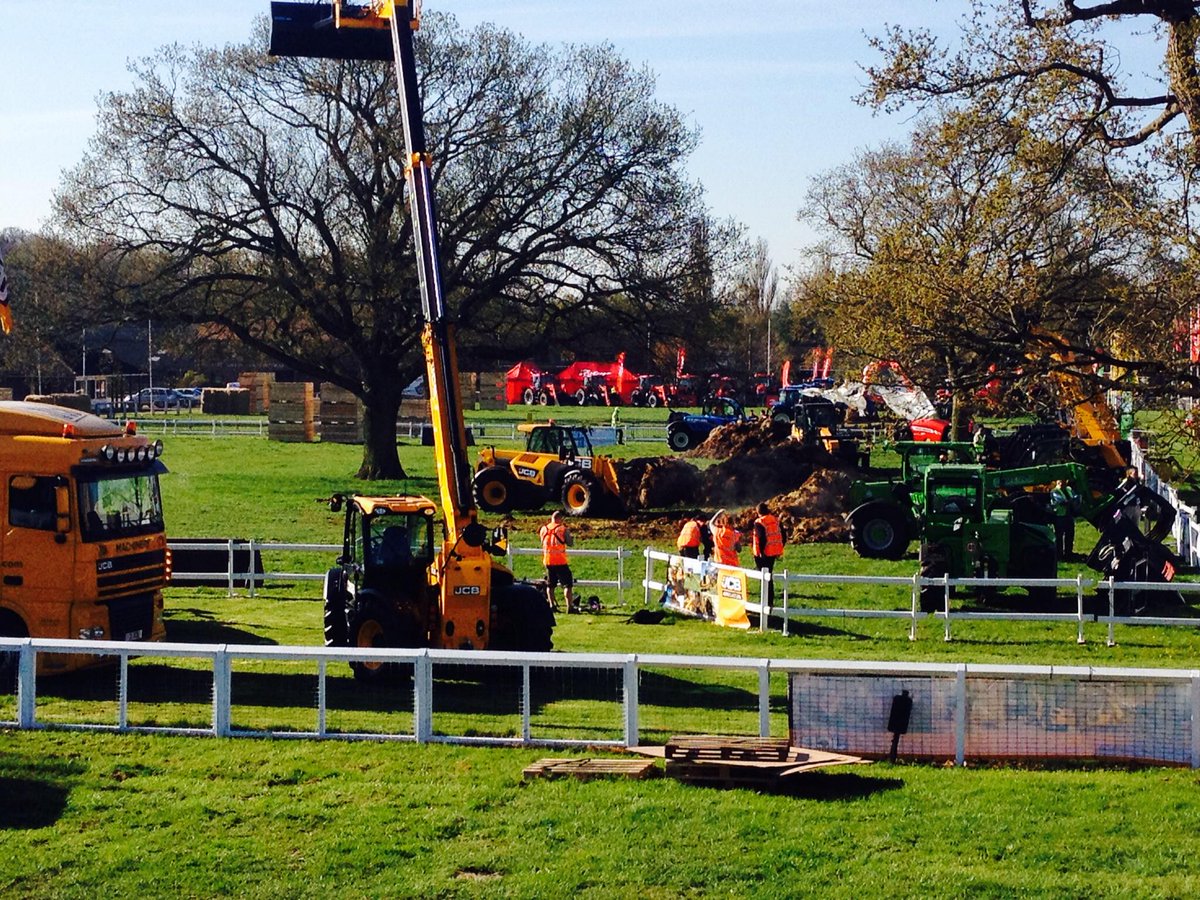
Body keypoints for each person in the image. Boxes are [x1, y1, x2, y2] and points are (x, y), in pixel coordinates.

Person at [539, 510, 576, 612]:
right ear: (560, 519)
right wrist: (571, 537)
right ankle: (570, 607)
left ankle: (552, 606)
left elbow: (542, 542)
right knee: (567, 585)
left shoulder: (543, 529)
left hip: (548, 561)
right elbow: (570, 543)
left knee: (550, 585)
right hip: (560, 561)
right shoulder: (562, 529)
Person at [752, 502, 785, 604]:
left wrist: (761, 552)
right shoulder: (776, 520)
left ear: (758, 512)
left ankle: (766, 600)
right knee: (769, 574)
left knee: (763, 577)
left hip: (763, 554)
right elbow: (783, 535)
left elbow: (761, 538)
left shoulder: (759, 522)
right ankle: (769, 599)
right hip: (773, 552)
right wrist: (779, 547)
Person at [1049, 480, 1076, 559]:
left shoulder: (1069, 489)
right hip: (1060, 515)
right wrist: (1072, 501)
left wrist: (1072, 501)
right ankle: (1059, 554)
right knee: (1059, 536)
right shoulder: (1054, 491)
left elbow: (1074, 498)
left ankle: (1068, 553)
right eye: (1060, 481)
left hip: (1069, 515)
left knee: (1070, 534)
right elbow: (1062, 501)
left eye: (1063, 481)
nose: (1061, 483)